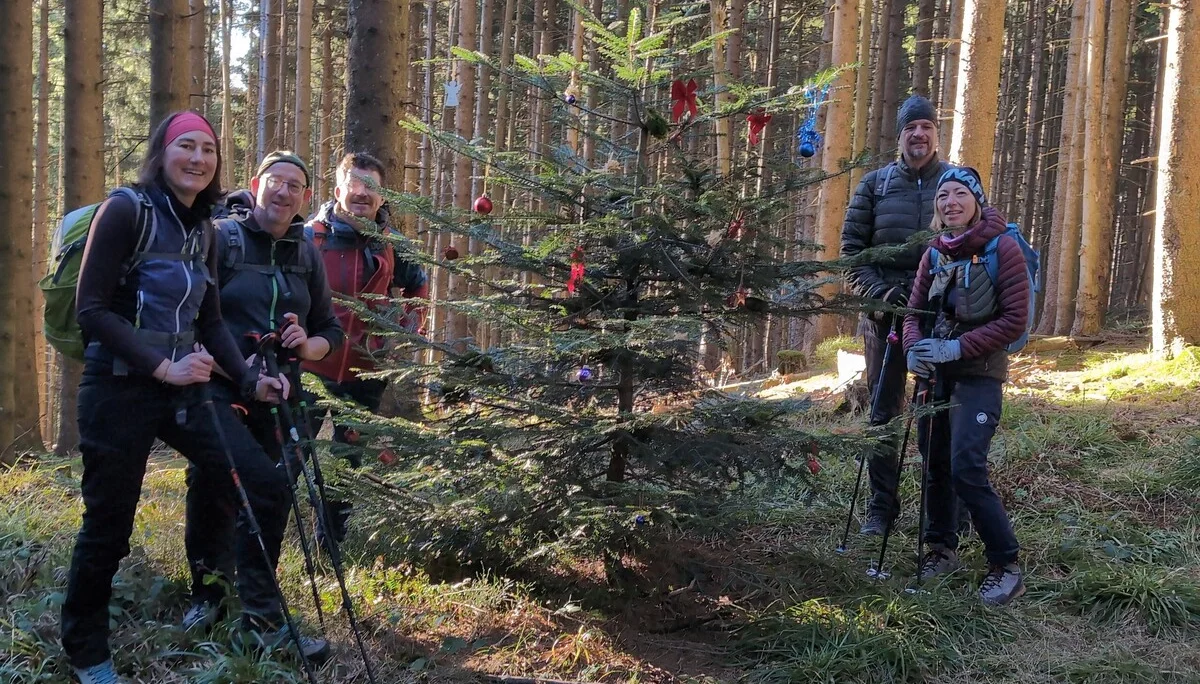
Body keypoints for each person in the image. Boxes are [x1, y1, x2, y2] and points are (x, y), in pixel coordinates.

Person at [61, 112, 297, 684]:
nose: (198, 158)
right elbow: (91, 310)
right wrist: (161, 366)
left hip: (186, 385)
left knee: (265, 487)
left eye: (208, 149)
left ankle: (255, 618)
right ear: (162, 153)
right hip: (118, 387)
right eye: (185, 146)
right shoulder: (125, 210)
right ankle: (87, 649)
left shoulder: (205, 228)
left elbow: (211, 321)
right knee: (109, 526)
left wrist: (247, 378)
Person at [181, 151, 344, 655]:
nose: (284, 192)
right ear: (256, 185)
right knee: (216, 486)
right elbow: (195, 321)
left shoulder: (304, 252)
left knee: (267, 493)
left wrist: (305, 345)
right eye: (276, 182)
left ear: (305, 199)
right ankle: (214, 600)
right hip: (217, 389)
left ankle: (252, 609)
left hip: (276, 393)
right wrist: (244, 375)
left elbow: (329, 332)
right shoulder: (221, 238)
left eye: (296, 187)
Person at [903, 166, 1028, 606]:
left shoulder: (1003, 250)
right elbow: (914, 312)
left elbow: (1015, 320)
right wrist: (915, 350)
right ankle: (941, 550)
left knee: (966, 467)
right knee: (935, 463)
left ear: (977, 201)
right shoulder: (933, 253)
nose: (949, 202)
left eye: (959, 194)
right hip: (934, 377)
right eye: (942, 196)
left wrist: (958, 350)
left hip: (980, 375)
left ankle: (1006, 564)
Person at [301, 152, 428, 542]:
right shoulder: (309, 236)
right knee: (287, 458)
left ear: (382, 196)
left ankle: (330, 545)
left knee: (347, 463)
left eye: (371, 188)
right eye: (354, 185)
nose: (362, 194)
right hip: (307, 369)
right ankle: (265, 541)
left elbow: (418, 284)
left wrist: (407, 324)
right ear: (338, 189)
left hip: (364, 374)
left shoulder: (392, 244)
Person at [840, 94, 952, 535]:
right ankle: (881, 510)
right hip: (884, 318)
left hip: (938, 318)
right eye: (911, 128)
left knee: (936, 415)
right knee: (883, 415)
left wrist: (942, 297)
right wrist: (883, 293)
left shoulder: (955, 181)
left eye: (926, 127)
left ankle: (939, 513)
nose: (919, 135)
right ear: (900, 136)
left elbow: (975, 243)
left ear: (935, 133)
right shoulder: (875, 185)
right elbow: (852, 253)